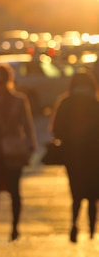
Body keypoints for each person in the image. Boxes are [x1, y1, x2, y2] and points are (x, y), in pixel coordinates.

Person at [0, 63, 37, 242]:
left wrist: (30, 145)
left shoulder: (19, 100)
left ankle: (14, 228)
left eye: (1, 81)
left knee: (14, 190)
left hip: (13, 151)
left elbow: (27, 125)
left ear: (8, 81)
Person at [49, 69, 99, 243]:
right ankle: (93, 229)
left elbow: (56, 130)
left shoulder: (65, 103)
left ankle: (74, 225)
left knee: (76, 194)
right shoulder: (95, 103)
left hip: (72, 156)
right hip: (94, 157)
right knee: (93, 195)